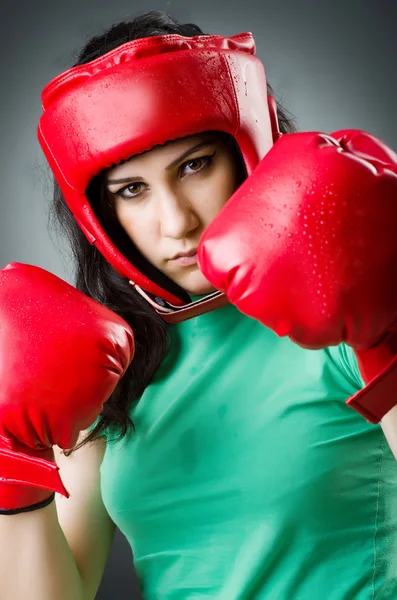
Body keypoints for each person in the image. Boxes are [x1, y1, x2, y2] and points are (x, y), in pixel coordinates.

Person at [1, 9, 397, 600]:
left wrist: (387, 338)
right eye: (132, 190)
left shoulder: (344, 323)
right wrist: (14, 463)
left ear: (247, 151)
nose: (175, 222)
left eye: (193, 166)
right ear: (100, 215)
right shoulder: (107, 369)